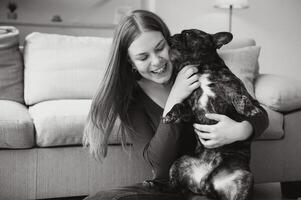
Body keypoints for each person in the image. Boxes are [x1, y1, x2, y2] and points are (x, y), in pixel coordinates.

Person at [83, 9, 268, 200]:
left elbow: (257, 112)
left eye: (160, 47)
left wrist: (241, 130)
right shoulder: (132, 99)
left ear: (169, 41)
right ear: (130, 61)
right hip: (173, 187)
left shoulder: (196, 69)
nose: (157, 61)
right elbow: (158, 166)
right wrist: (175, 98)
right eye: (143, 57)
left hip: (221, 179)